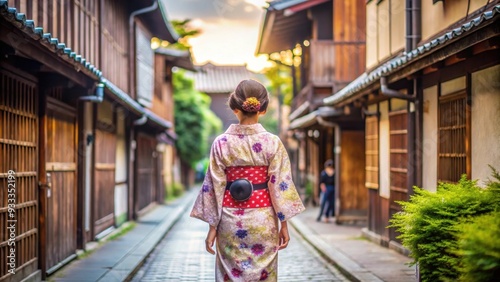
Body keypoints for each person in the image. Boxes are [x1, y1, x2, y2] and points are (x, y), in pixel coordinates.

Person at [191, 79, 305, 281]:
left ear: (235, 108)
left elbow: (215, 187)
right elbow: (280, 184)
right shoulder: (273, 142)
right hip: (263, 220)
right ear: (263, 109)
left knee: (230, 274)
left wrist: (212, 228)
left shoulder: (221, 143)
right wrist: (284, 224)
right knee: (263, 275)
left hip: (230, 220)